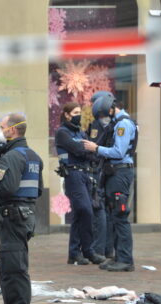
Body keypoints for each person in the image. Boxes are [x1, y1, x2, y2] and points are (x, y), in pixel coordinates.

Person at [0, 113, 42, 304]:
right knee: (15, 267)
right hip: (26, 215)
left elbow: (6, 189)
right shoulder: (33, 155)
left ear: (12, 130)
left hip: (13, 217)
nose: (0, 131)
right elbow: (38, 190)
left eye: (2, 127)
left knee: (12, 270)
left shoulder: (12, 156)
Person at [83, 98, 137, 272]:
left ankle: (126, 260)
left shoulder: (123, 124)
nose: (103, 119)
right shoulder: (117, 123)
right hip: (113, 173)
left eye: (105, 115)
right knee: (113, 215)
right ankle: (118, 257)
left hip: (120, 172)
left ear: (112, 109)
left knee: (120, 216)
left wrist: (96, 148)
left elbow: (118, 152)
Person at [55, 102, 106, 266]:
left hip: (85, 175)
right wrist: (88, 149)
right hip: (73, 175)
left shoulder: (80, 132)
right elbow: (78, 149)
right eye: (75, 112)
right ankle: (87, 250)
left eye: (80, 112)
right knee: (86, 210)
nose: (79, 115)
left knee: (80, 214)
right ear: (67, 114)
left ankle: (76, 253)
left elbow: (94, 155)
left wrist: (90, 150)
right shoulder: (62, 133)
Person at [88, 91, 116, 260]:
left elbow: (94, 148)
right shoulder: (115, 123)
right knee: (109, 211)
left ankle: (99, 250)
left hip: (100, 170)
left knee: (100, 210)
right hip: (110, 170)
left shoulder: (98, 124)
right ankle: (108, 249)